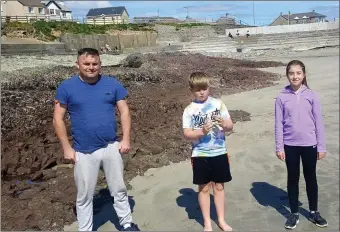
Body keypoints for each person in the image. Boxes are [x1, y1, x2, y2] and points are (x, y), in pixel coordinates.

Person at [53, 47, 140, 231]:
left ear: (100, 64)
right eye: (86, 64)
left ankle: (126, 224)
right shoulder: (66, 87)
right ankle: (85, 229)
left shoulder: (112, 84)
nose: (91, 67)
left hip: (111, 146)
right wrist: (67, 148)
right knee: (84, 195)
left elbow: (124, 111)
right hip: (83, 151)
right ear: (78, 64)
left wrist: (126, 139)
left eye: (95, 64)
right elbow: (57, 119)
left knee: (119, 189)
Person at [275, 60, 328, 230]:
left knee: (310, 177)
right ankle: (294, 213)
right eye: (291, 73)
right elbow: (278, 124)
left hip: (309, 144)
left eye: (298, 73)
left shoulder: (312, 95)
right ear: (287, 75)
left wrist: (321, 146)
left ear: (303, 75)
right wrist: (279, 146)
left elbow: (318, 122)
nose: (295, 76)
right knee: (293, 178)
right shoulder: (282, 97)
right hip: (290, 144)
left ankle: (313, 212)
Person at [182, 72, 233, 231]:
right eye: (198, 89)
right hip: (200, 154)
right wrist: (202, 132)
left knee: (219, 187)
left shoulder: (219, 104)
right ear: (191, 90)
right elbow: (187, 133)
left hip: (219, 152)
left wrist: (225, 124)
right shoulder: (189, 110)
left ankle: (221, 220)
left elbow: (230, 126)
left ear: (208, 87)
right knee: (204, 188)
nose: (202, 92)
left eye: (204, 88)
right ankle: (207, 223)